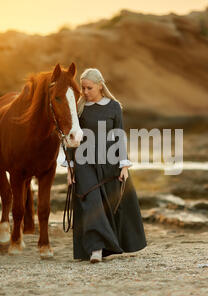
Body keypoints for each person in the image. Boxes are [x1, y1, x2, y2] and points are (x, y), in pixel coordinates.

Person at [61, 68, 147, 263]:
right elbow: (70, 138)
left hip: (110, 162)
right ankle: (96, 250)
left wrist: (124, 166)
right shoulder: (79, 109)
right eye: (82, 88)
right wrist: (70, 168)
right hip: (84, 163)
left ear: (100, 86)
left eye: (89, 88)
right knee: (91, 203)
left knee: (111, 205)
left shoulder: (114, 107)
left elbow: (119, 136)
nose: (85, 92)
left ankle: (110, 244)